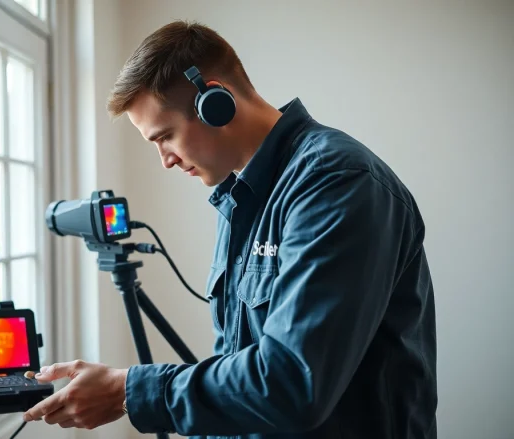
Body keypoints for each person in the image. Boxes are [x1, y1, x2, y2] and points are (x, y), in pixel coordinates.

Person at [23, 20, 437, 439]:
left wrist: (127, 390)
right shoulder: (242, 200)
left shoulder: (338, 183)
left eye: (165, 137)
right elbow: (238, 375)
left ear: (214, 101)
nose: (164, 159)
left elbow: (292, 384)